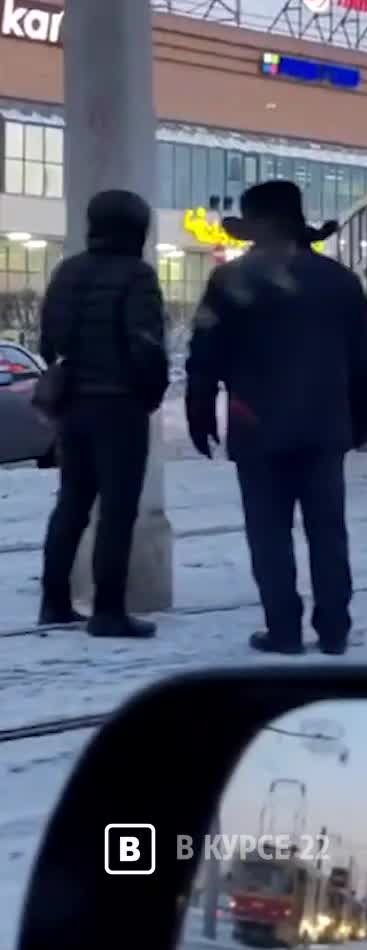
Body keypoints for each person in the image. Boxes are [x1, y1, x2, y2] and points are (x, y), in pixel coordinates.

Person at [185, 180, 367, 655]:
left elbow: (205, 354)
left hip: (258, 427)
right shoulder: (340, 281)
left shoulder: (231, 281)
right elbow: (365, 359)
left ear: (257, 227)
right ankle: (334, 630)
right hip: (324, 426)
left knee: (269, 535)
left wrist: (200, 410)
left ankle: (284, 630)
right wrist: (362, 419)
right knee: (327, 531)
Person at [38, 189, 169, 638]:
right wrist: (150, 394)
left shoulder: (67, 271)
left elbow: (47, 341)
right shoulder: (137, 276)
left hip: (72, 405)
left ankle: (54, 602)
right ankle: (108, 610)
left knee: (71, 503)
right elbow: (146, 346)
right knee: (117, 509)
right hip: (120, 405)